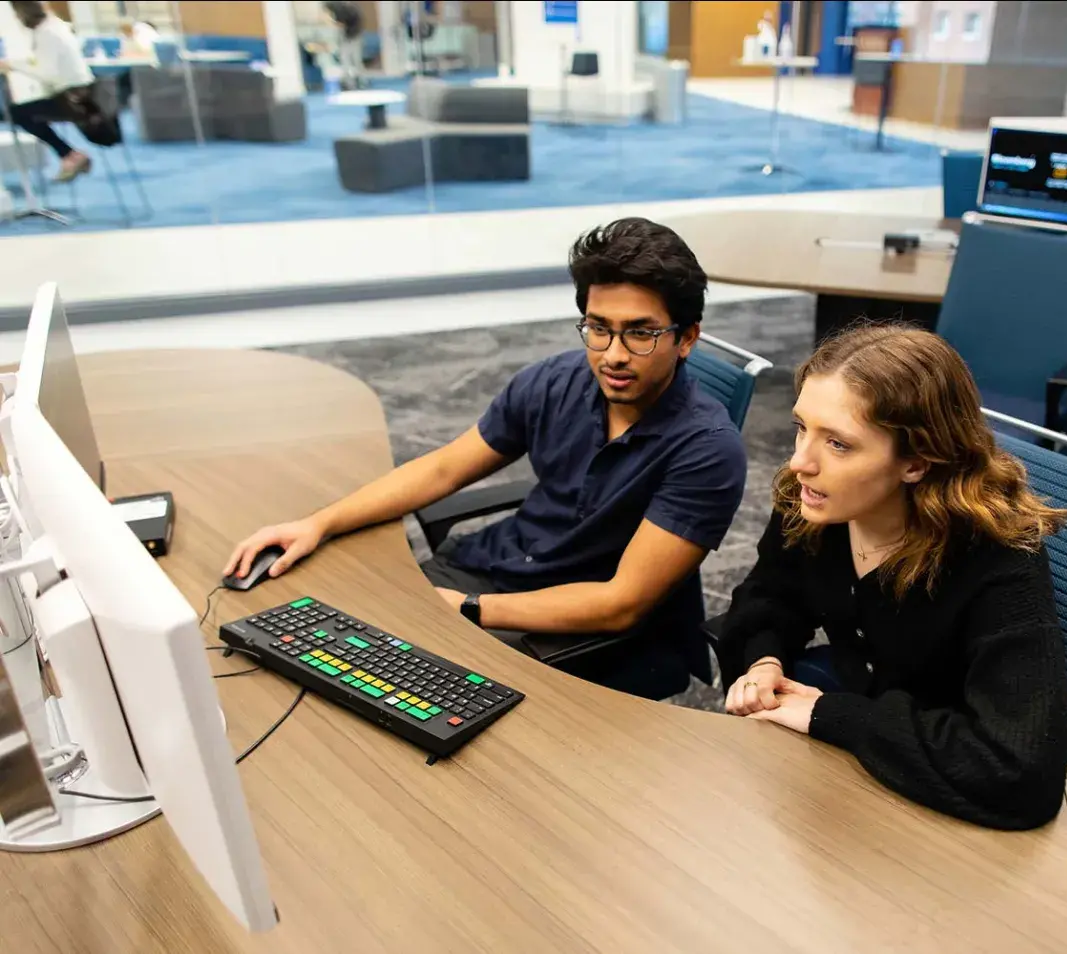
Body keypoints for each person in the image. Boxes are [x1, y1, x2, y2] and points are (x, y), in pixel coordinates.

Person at [225, 218, 747, 694]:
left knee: (404, 697)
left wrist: (470, 610)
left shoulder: (707, 450)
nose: (612, 354)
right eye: (598, 327)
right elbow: (445, 467)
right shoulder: (553, 382)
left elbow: (621, 603)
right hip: (493, 567)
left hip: (573, 623)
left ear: (686, 339)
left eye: (640, 333)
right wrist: (318, 523)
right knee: (322, 635)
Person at [718, 325, 1067, 830]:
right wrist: (764, 659)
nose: (800, 462)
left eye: (838, 444)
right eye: (802, 427)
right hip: (861, 752)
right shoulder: (815, 502)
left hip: (942, 784)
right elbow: (770, 592)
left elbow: (1016, 772)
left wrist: (834, 717)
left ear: (916, 462)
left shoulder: (998, 558)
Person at [0, 0, 94, 182]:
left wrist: (13, 66)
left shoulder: (47, 34)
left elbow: (48, 73)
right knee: (26, 108)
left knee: (18, 112)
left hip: (73, 98)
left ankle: (69, 155)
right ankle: (69, 155)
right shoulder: (55, 27)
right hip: (81, 93)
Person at [323, 0, 365, 90]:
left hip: (352, 34)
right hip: (354, 33)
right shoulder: (347, 7)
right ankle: (358, 82)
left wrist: (331, 22)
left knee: (348, 60)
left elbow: (340, 24)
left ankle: (354, 83)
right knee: (354, 60)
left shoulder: (340, 10)